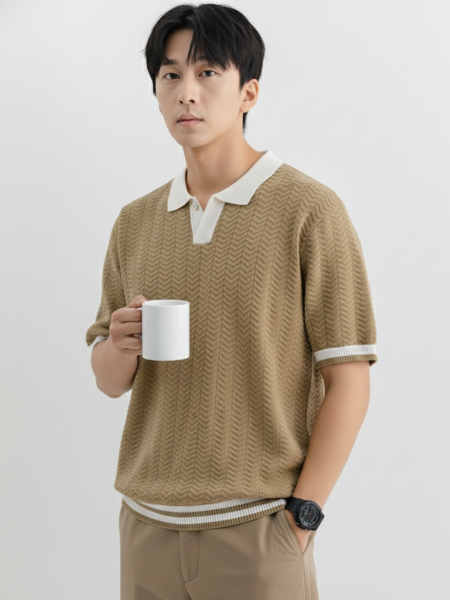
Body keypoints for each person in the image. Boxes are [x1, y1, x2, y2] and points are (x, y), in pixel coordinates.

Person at [86, 4, 378, 599]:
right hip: (145, 525)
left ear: (249, 92)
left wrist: (303, 517)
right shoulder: (134, 222)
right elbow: (109, 381)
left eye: (207, 72)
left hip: (259, 528)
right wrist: (118, 344)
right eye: (171, 75)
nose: (187, 92)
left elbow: (349, 377)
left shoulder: (309, 210)